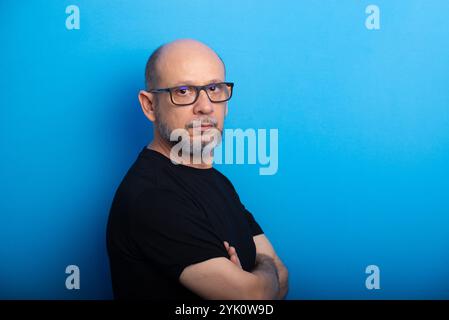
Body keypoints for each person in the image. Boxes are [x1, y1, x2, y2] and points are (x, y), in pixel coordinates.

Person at [106, 39, 288, 300]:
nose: (205, 106)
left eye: (214, 88)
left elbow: (282, 279)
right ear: (149, 106)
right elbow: (254, 299)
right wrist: (260, 273)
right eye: (183, 90)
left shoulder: (218, 182)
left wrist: (257, 278)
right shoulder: (152, 197)